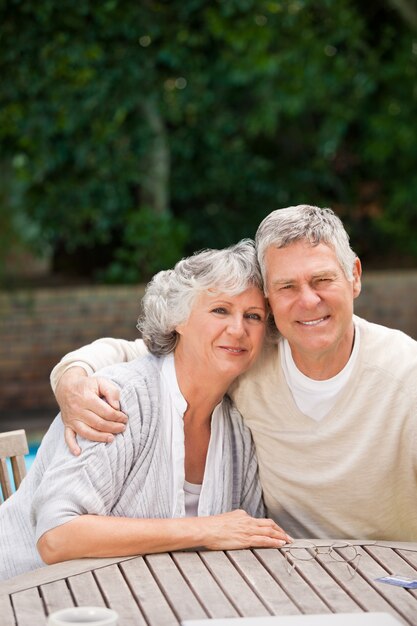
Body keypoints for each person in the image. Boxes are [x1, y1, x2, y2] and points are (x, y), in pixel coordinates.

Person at [51, 205, 417, 541]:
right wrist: (73, 377)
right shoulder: (247, 359)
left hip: (389, 576)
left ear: (354, 276)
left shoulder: (405, 374)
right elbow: (148, 355)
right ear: (271, 300)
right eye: (287, 286)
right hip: (287, 571)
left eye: (322, 280)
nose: (307, 300)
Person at [0, 240, 291, 581]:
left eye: (253, 316)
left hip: (148, 599)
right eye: (220, 310)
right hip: (28, 597)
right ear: (177, 319)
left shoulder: (238, 432)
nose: (238, 329)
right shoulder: (118, 400)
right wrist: (203, 530)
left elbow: (247, 536)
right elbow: (57, 537)